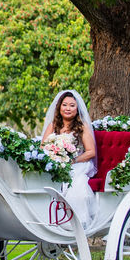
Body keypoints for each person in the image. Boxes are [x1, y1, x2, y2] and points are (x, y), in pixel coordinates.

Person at [41, 89, 97, 227]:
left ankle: (76, 221)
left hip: (78, 163)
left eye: (72, 105)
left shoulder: (82, 127)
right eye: (65, 105)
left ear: (77, 109)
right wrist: (55, 155)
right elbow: (43, 147)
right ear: (59, 107)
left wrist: (72, 160)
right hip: (57, 163)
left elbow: (91, 152)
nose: (68, 108)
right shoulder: (53, 126)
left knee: (76, 184)